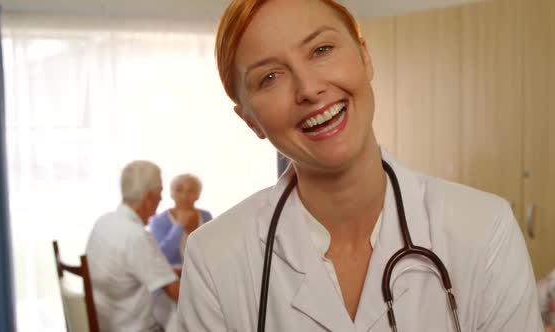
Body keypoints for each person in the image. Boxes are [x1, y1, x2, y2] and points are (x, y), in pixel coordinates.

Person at [176, 0, 544, 331]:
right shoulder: (214, 258)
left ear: (365, 56)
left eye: (321, 49)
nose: (308, 89)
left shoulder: (484, 229)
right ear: (250, 120)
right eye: (269, 77)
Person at [86, 160, 180, 332]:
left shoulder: (105, 222)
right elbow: (176, 293)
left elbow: (137, 270)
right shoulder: (136, 236)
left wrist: (180, 271)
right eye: (159, 193)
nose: (161, 198)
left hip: (106, 321)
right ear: (148, 198)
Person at [149, 173, 213, 267]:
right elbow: (162, 257)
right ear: (171, 193)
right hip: (173, 277)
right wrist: (178, 226)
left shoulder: (206, 216)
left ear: (198, 194)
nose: (184, 196)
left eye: (191, 191)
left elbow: (212, 249)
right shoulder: (158, 221)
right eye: (179, 190)